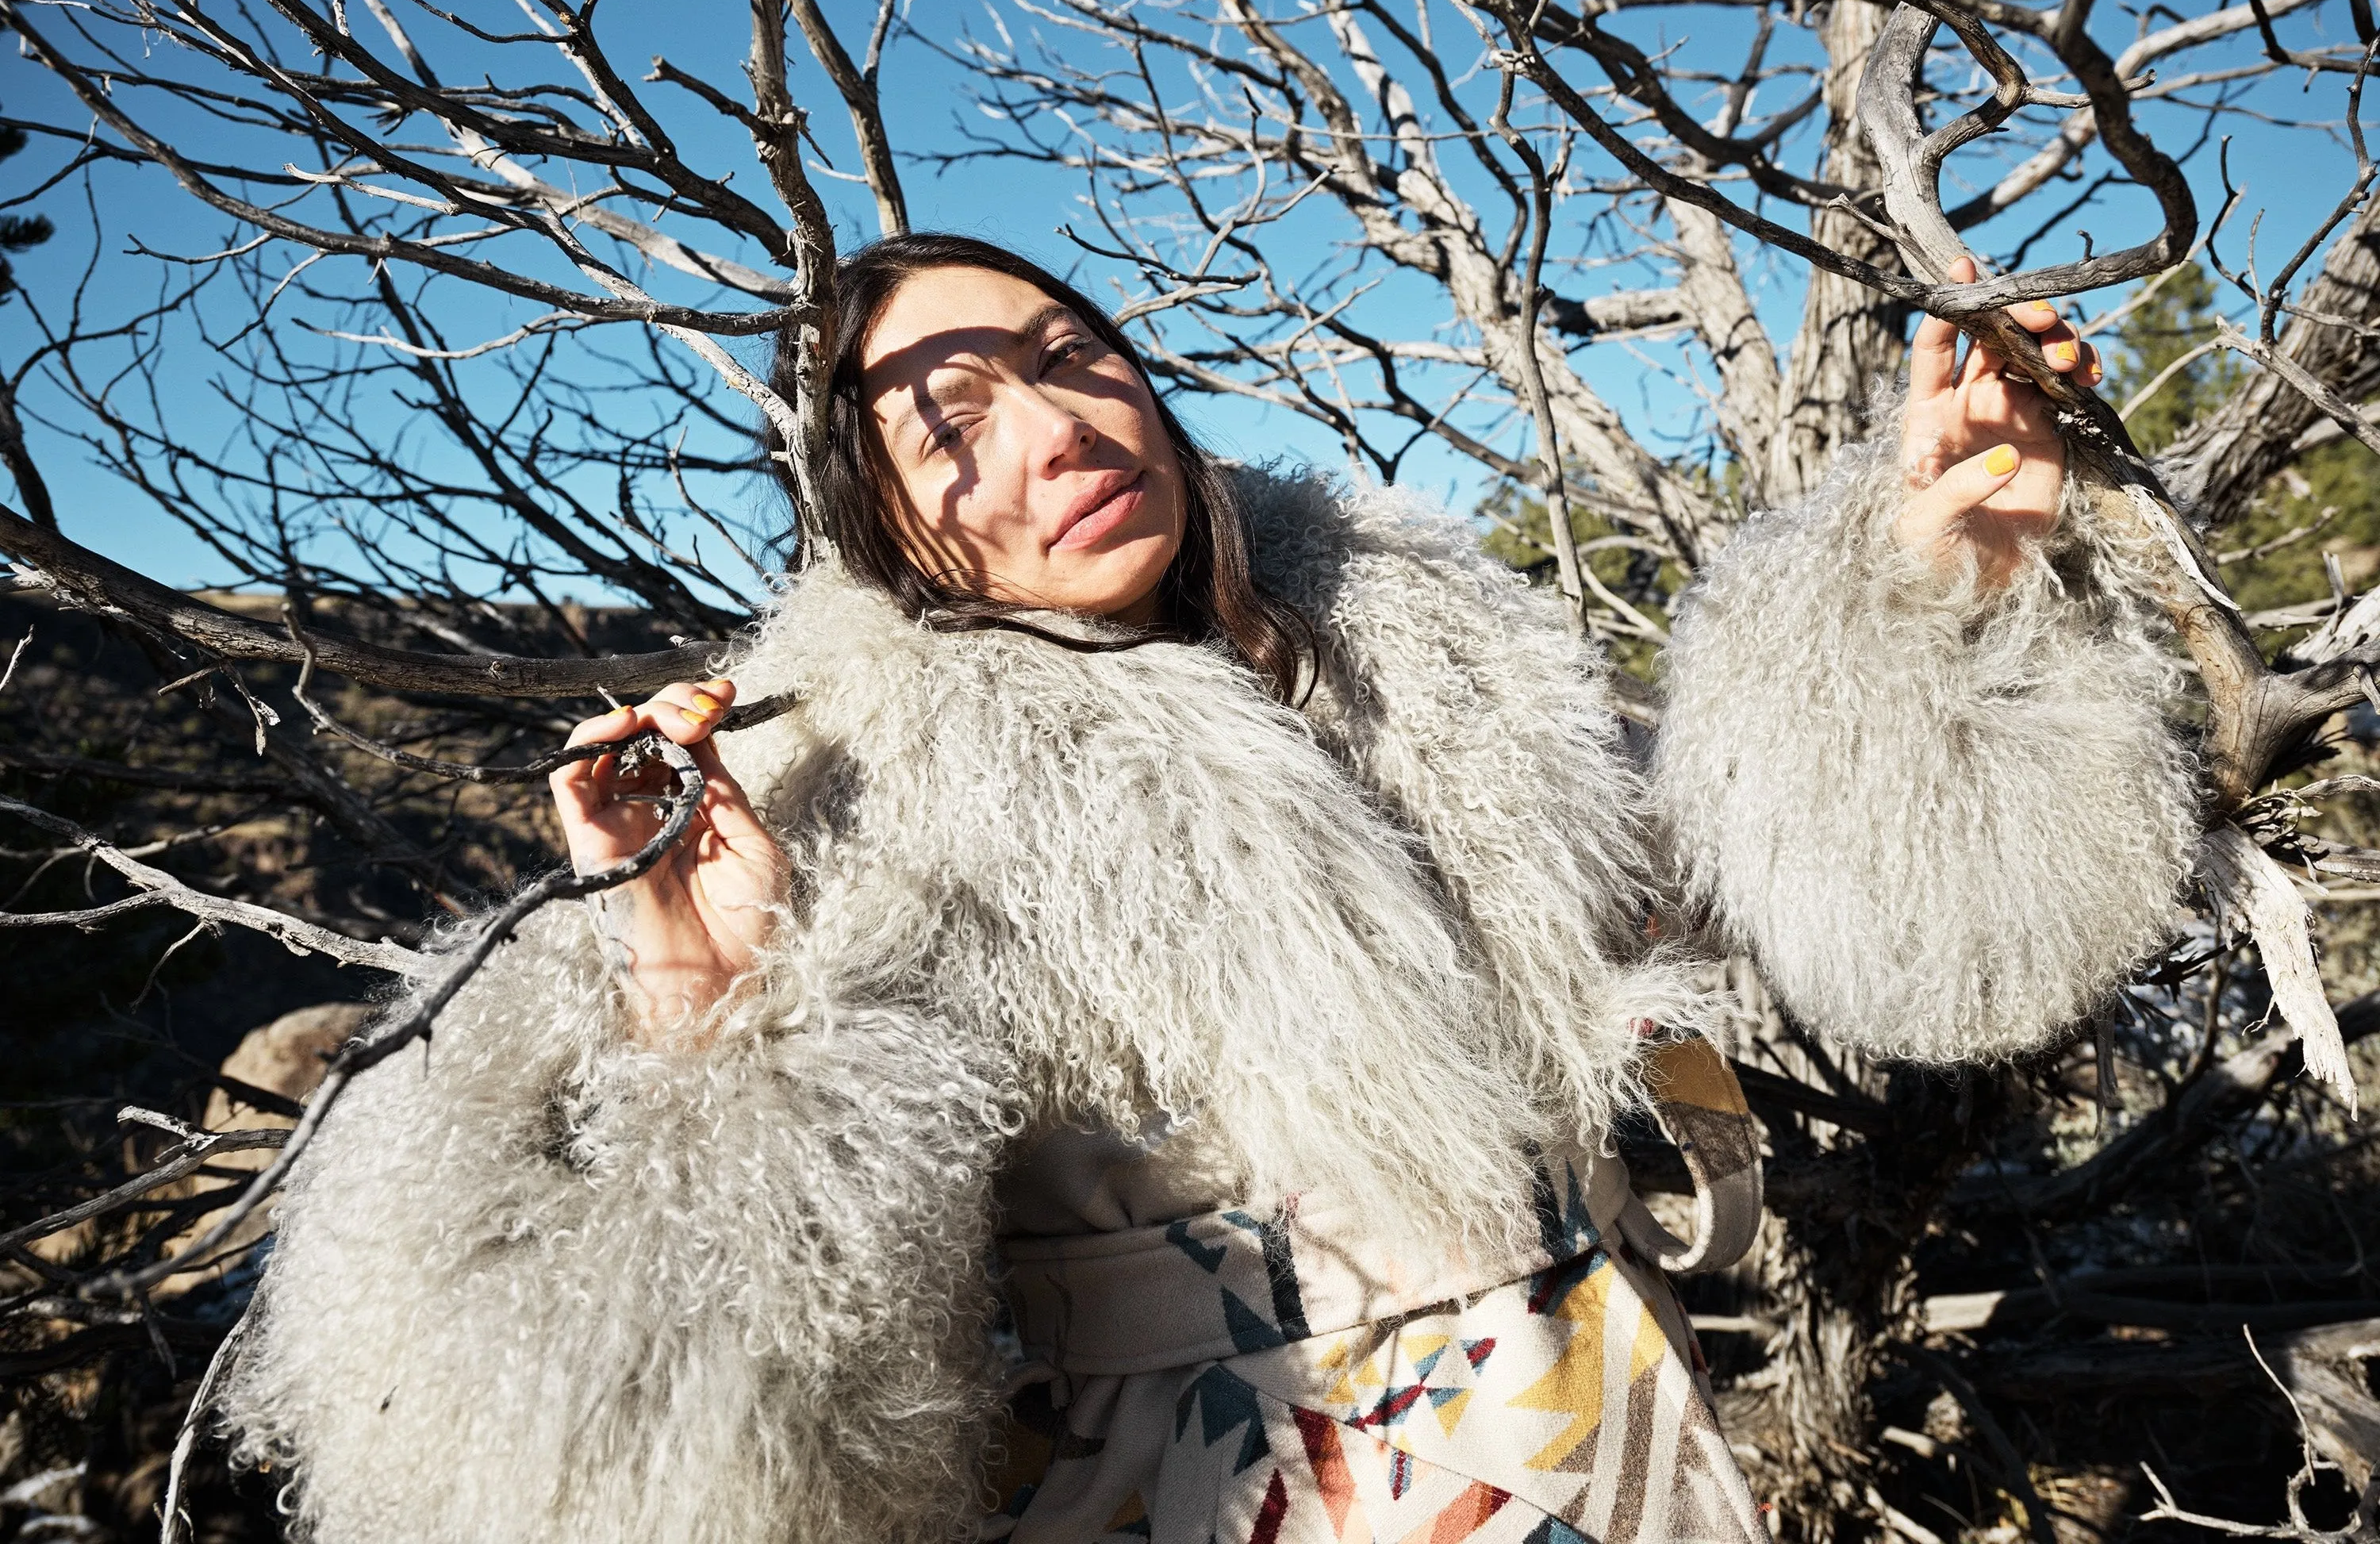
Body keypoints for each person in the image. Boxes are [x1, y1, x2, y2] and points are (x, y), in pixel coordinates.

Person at [218, 234, 2198, 1544]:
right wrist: (701, 1002)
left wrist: (1929, 579)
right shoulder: (846, 774)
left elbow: (1749, 895)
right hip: (1238, 1490)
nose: (1061, 426)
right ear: (875, 520)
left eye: (1076, 358)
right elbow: (712, 1407)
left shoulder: (1416, 634)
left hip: (1611, 1408)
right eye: (951, 420)